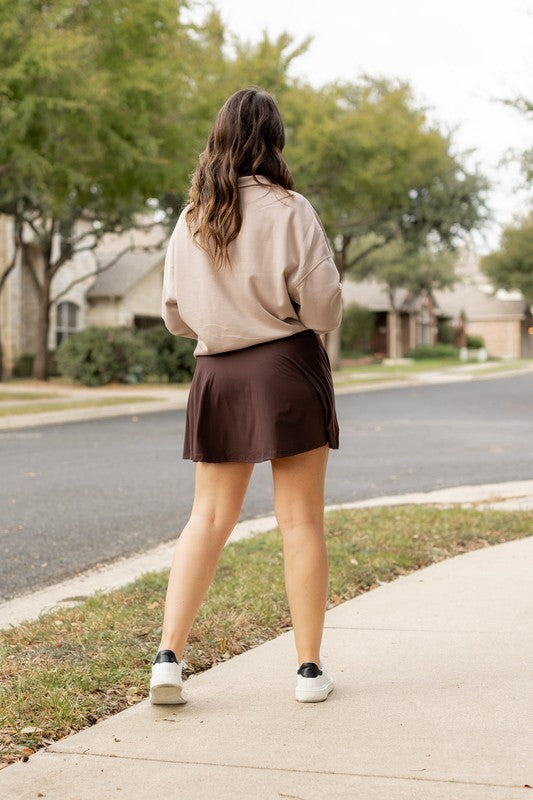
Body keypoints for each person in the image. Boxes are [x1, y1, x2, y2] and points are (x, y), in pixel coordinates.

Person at [149, 87, 342, 705]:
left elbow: (175, 316)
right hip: (287, 367)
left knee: (206, 519)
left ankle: (167, 661)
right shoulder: (292, 209)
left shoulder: (191, 217)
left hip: (219, 378)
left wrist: (222, 317)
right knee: (301, 520)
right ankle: (309, 673)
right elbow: (323, 309)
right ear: (273, 139)